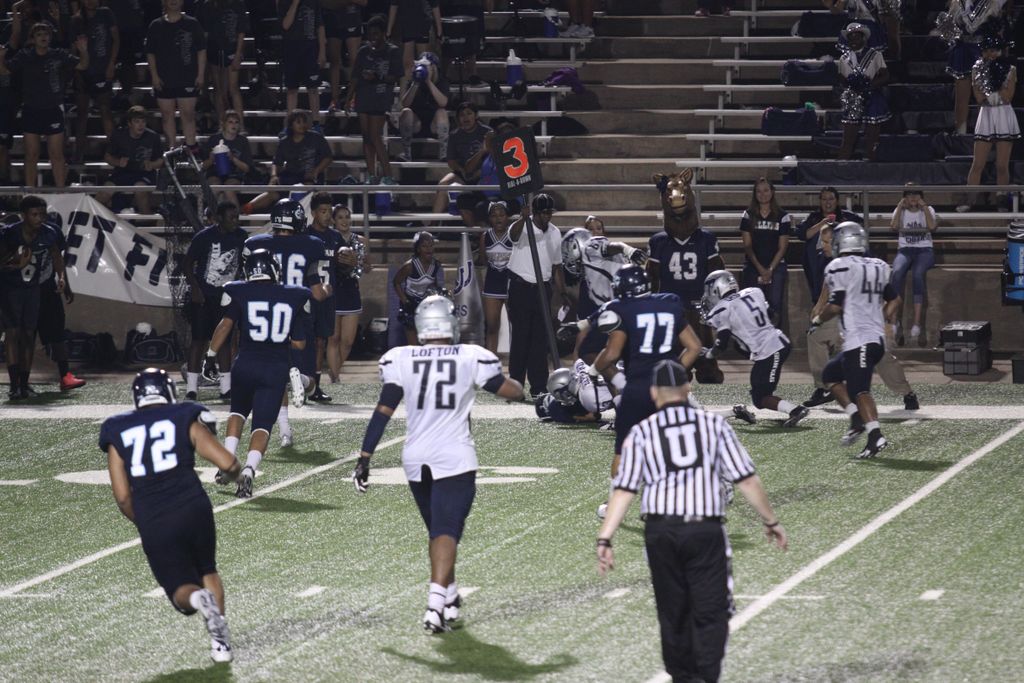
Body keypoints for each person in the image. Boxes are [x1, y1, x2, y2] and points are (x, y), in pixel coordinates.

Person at [595, 359, 788, 683]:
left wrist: (605, 537)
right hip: (703, 528)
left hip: (660, 530)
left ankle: (682, 676)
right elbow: (745, 478)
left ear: (654, 393)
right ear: (687, 388)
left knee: (672, 612)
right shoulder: (713, 426)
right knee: (712, 610)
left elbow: (624, 490)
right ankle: (705, 676)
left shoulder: (642, 432)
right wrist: (771, 521)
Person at [352, 294, 525, 633]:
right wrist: (519, 387)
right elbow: (507, 390)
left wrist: (365, 457)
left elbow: (384, 410)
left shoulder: (401, 358)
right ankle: (434, 607)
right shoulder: (470, 356)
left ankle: (450, 595)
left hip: (415, 457)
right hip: (454, 454)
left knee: (438, 531)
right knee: (447, 530)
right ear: (450, 323)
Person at [100, 368, 241, 663]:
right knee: (207, 570)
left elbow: (123, 496)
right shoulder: (184, 415)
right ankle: (221, 645)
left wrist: (144, 520)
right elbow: (228, 463)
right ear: (169, 392)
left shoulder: (117, 429)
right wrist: (232, 477)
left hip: (154, 515)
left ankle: (199, 600)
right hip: (193, 505)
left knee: (180, 592)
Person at [585, 265, 703, 519]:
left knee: (624, 449)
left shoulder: (622, 308)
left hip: (638, 389)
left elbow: (613, 353)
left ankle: (614, 506)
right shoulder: (670, 303)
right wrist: (672, 374)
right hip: (668, 391)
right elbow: (694, 346)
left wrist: (595, 368)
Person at [205, 248, 311, 498]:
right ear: (273, 270)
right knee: (262, 424)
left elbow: (226, 325)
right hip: (274, 368)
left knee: (237, 412)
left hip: (245, 364)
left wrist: (210, 355)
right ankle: (249, 470)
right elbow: (299, 344)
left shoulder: (239, 291)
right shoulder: (294, 295)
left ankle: (227, 461)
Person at [805, 219, 919, 410]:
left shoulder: (856, 262)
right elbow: (831, 284)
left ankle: (906, 392)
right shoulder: (842, 262)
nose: (823, 246)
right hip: (845, 315)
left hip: (865, 318)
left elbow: (888, 297)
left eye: (827, 242)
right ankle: (824, 389)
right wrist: (819, 305)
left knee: (881, 359)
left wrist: (886, 322)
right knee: (815, 335)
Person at [809, 222, 899, 459]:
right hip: (871, 339)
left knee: (860, 390)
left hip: (860, 339)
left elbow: (835, 305)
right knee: (830, 374)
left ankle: (875, 435)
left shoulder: (838, 266)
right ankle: (857, 418)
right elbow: (894, 299)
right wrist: (881, 319)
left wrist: (818, 319)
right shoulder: (877, 265)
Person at [244, 199, 329, 447]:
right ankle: (302, 382)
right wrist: (328, 290)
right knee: (306, 379)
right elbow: (317, 292)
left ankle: (284, 432)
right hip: (298, 312)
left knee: (276, 375)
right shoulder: (311, 244)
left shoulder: (256, 244)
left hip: (267, 313)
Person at [701, 269, 810, 427]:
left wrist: (708, 355)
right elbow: (773, 315)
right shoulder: (753, 292)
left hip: (770, 350)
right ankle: (792, 409)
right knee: (760, 389)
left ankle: (797, 410)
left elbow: (721, 343)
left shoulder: (723, 308)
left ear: (717, 288)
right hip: (779, 342)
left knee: (760, 397)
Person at [647, 169, 725, 383]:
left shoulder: (706, 239)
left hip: (699, 303)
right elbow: (652, 277)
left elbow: (717, 273)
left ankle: (706, 371)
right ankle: (679, 374)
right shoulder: (658, 241)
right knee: (673, 349)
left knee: (705, 347)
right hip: (671, 305)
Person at [0, 23, 89, 187]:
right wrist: (0, 57)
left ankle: (60, 191)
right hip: (31, 110)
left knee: (56, 155)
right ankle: (30, 192)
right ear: (33, 39)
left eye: (46, 34)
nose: (43, 37)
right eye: (39, 34)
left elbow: (82, 65)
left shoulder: (59, 54)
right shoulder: (24, 55)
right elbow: (4, 71)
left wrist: (83, 51)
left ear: (50, 37)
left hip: (53, 109)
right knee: (31, 155)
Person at [0, 195, 66, 399]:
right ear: (23, 215)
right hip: (10, 288)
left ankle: (24, 383)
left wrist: (61, 277)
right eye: (34, 214)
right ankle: (14, 385)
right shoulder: (9, 233)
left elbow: (56, 255)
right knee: (12, 333)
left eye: (42, 214)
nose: (39, 218)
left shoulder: (50, 232)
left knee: (29, 334)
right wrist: (14, 263)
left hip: (33, 288)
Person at [182, 200, 247, 401]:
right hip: (203, 297)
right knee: (198, 341)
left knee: (224, 342)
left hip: (226, 298)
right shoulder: (204, 237)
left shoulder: (242, 237)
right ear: (219, 218)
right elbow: (187, 263)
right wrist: (195, 289)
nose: (235, 221)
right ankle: (191, 388)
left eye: (237, 217)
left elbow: (244, 265)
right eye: (231, 217)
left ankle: (225, 387)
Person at [506, 193, 569, 396]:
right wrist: (522, 218)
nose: (547, 217)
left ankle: (539, 386)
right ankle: (516, 385)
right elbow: (513, 237)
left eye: (550, 213)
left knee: (540, 340)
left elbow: (557, 265)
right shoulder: (522, 226)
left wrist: (562, 292)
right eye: (543, 213)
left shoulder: (555, 232)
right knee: (520, 337)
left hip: (542, 289)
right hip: (521, 287)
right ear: (535, 212)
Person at [562, 215, 646, 362]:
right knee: (588, 341)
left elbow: (615, 246)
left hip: (613, 301)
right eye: (591, 229)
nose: (595, 232)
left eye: (598, 228)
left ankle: (585, 370)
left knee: (593, 347)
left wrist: (628, 250)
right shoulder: (593, 251)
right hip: (607, 299)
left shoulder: (596, 245)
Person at [962, 34, 1018, 212]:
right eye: (987, 51)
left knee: (1001, 165)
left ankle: (1001, 201)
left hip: (1003, 115)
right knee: (978, 163)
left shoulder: (1010, 69)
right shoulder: (977, 69)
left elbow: (1008, 96)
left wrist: (994, 91)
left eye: (995, 51)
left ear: (1001, 51)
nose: (991, 54)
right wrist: (992, 93)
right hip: (986, 115)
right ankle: (969, 201)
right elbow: (979, 97)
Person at [34, 208, 86, 392]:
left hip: (47, 288)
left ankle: (65, 375)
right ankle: (20, 381)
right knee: (21, 335)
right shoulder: (17, 232)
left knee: (57, 333)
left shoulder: (52, 232)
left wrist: (66, 285)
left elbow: (58, 259)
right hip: (22, 290)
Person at [243, 109, 333, 214]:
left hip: (310, 177)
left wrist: (316, 171)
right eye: (298, 122)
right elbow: (276, 162)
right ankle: (245, 209)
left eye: (304, 122)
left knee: (305, 189)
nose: (302, 125)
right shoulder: (285, 141)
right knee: (273, 192)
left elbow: (328, 157)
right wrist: (273, 176)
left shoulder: (316, 138)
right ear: (291, 125)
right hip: (291, 176)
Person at [346, 14, 402, 185]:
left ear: (384, 33)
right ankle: (372, 175)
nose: (373, 37)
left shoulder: (393, 51)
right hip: (363, 97)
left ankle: (388, 175)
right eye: (370, 34)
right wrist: (348, 99)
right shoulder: (363, 51)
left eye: (376, 33)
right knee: (366, 137)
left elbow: (395, 77)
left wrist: (377, 76)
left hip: (381, 97)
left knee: (375, 136)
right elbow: (355, 77)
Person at [146, 0, 207, 150]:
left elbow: (201, 50)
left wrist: (200, 74)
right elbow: (150, 52)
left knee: (188, 114)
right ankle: (171, 150)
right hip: (164, 78)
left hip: (187, 77)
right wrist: (154, 75)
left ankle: (191, 148)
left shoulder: (192, 23)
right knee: (167, 116)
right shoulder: (155, 25)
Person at [306, 191, 344, 402]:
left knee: (321, 341)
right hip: (307, 295)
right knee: (301, 341)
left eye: (329, 211)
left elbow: (341, 268)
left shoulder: (335, 237)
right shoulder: (304, 235)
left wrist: (349, 262)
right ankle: (297, 382)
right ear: (313, 213)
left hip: (327, 297)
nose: (327, 215)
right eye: (323, 211)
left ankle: (315, 387)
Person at [795, 186, 862, 305]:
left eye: (831, 199)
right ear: (820, 201)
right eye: (824, 199)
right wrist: (822, 223)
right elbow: (803, 234)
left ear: (837, 201)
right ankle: (819, 302)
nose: (827, 203)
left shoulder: (847, 216)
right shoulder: (813, 217)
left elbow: (861, 228)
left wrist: (840, 225)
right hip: (818, 260)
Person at [71, 0, 118, 163]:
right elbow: (73, 48)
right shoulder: (76, 19)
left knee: (105, 110)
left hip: (102, 69)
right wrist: (76, 72)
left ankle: (114, 151)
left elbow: (116, 39)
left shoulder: (106, 13)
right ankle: (78, 153)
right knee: (81, 114)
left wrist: (111, 63)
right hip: (83, 71)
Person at [889, 184, 937, 346]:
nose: (913, 198)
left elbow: (932, 227)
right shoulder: (900, 210)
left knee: (917, 274)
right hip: (905, 250)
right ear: (904, 197)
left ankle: (917, 323)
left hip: (924, 250)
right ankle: (894, 321)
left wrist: (924, 208)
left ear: (921, 196)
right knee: (896, 273)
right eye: (909, 194)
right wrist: (899, 207)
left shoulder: (928, 209)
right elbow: (894, 226)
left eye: (916, 194)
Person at [739, 177, 791, 325]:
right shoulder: (748, 215)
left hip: (776, 266)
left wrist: (770, 269)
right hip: (753, 265)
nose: (763, 194)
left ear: (772, 192)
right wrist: (760, 269)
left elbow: (783, 247)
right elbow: (747, 246)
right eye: (759, 191)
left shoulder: (783, 216)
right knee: (752, 306)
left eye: (766, 190)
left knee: (774, 306)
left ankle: (775, 337)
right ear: (755, 194)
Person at [836, 22, 890, 161]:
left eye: (856, 37)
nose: (853, 40)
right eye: (850, 37)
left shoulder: (875, 55)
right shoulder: (844, 58)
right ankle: (842, 165)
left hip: (872, 96)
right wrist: (849, 88)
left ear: (863, 38)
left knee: (872, 137)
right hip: (853, 98)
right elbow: (841, 79)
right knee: (848, 137)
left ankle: (872, 164)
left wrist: (869, 85)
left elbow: (885, 76)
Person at [98, 105, 165, 215]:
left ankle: (146, 222)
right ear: (129, 123)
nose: (141, 125)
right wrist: (118, 162)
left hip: (144, 174)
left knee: (140, 189)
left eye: (143, 121)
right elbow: (108, 157)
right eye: (137, 121)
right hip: (122, 173)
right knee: (104, 193)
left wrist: (152, 164)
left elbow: (161, 160)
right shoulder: (119, 135)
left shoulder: (153, 137)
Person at [329, 203, 369, 381]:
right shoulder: (328, 239)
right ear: (333, 220)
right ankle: (335, 378)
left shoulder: (361, 241)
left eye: (347, 217)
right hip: (333, 290)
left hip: (351, 291)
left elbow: (367, 266)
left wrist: (359, 264)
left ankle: (334, 370)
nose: (345, 221)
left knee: (347, 342)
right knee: (334, 338)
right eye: (340, 217)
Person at [431, 102, 491, 221]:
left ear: (476, 116)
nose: (466, 117)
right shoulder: (454, 135)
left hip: (484, 174)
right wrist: (461, 170)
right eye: (462, 115)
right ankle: (432, 224)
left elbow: (493, 158)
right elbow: (451, 161)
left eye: (469, 113)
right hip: (462, 173)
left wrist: (480, 171)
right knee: (443, 183)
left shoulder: (487, 132)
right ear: (458, 119)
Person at [198, 0, 249, 131]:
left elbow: (241, 31)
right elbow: (205, 31)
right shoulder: (207, 5)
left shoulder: (237, 4)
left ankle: (241, 125)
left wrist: (238, 54)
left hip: (232, 48)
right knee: (218, 89)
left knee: (233, 88)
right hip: (214, 49)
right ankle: (222, 125)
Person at [278, 0, 326, 130]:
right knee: (292, 89)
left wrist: (322, 51)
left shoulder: (314, 2)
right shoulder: (283, 2)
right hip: (291, 49)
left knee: (313, 88)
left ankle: (316, 124)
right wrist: (295, 3)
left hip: (310, 49)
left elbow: (320, 26)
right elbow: (285, 25)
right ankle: (289, 125)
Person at [393, 230, 445, 345]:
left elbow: (433, 283)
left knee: (427, 341)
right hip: (410, 304)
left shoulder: (436, 265)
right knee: (414, 346)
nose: (429, 249)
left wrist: (437, 293)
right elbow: (396, 282)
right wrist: (405, 301)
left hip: (425, 304)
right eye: (424, 246)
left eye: (431, 245)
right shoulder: (409, 266)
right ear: (418, 249)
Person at [397, 51, 449, 161]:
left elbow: (443, 103)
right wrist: (415, 84)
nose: (422, 68)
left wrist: (429, 82)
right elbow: (405, 104)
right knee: (406, 111)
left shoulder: (441, 81)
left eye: (426, 66)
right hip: (416, 124)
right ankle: (406, 153)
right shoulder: (413, 81)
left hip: (434, 124)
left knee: (442, 112)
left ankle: (444, 153)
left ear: (433, 68)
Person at [201, 110, 254, 208]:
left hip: (235, 174)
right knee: (214, 187)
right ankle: (211, 215)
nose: (234, 125)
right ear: (223, 124)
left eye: (236, 122)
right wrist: (211, 160)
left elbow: (247, 168)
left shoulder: (242, 141)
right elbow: (203, 166)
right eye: (230, 122)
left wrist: (233, 158)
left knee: (228, 188)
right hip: (214, 173)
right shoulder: (213, 140)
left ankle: (235, 216)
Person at [477, 200, 511, 353]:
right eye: (494, 215)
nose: (498, 219)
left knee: (516, 325)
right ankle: (491, 359)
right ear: (489, 218)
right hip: (492, 285)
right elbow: (483, 260)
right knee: (492, 326)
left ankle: (517, 362)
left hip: (511, 285)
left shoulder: (514, 235)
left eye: (501, 215)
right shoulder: (485, 236)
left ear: (507, 217)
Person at [321, 0, 366, 113]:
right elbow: (325, 3)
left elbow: (364, 2)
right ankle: (334, 100)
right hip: (332, 20)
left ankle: (353, 99)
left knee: (355, 61)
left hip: (352, 18)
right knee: (334, 60)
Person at [387, 0, 441, 86]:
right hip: (405, 25)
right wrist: (389, 30)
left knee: (424, 62)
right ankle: (406, 91)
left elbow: (435, 6)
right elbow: (394, 5)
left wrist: (439, 31)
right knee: (407, 64)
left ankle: (425, 89)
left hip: (423, 25)